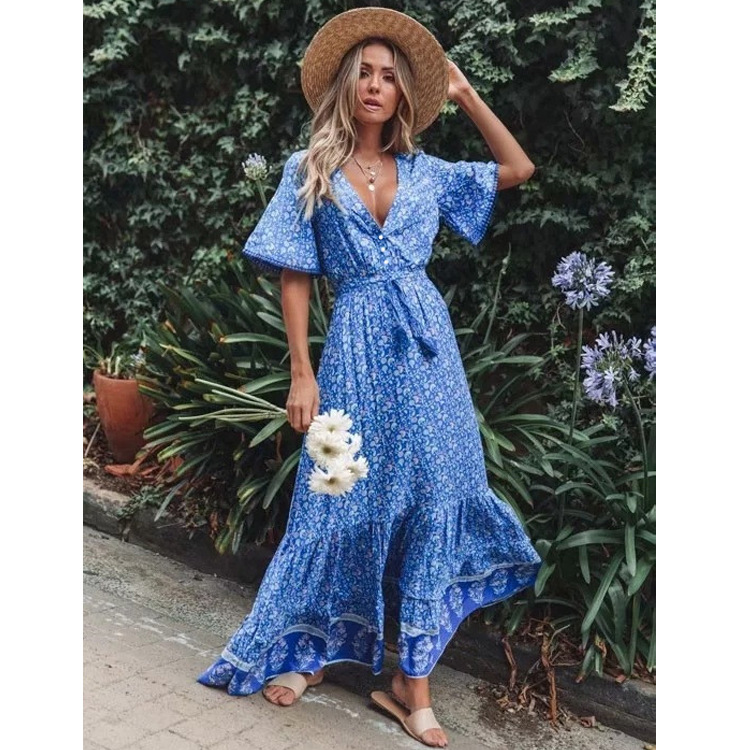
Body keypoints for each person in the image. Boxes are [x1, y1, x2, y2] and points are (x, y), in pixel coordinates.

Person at [197, 7, 542, 747]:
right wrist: (301, 372)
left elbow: (517, 170)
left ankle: (411, 685)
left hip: (427, 358)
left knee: (434, 497)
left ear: (404, 93)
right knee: (337, 497)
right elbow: (295, 275)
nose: (377, 86)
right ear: (347, 87)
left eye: (390, 76)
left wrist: (466, 95)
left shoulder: (428, 173)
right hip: (352, 350)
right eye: (365, 74)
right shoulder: (310, 168)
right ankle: (308, 652)